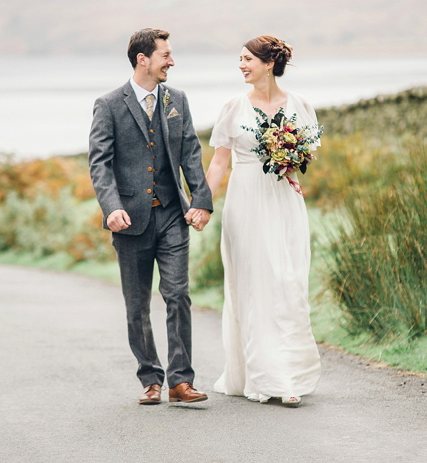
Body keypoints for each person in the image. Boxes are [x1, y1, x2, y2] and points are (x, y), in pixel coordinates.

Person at [88, 28, 214, 405]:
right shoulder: (108, 104)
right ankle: (150, 377)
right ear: (143, 59)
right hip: (130, 220)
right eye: (165, 55)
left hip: (173, 215)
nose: (171, 62)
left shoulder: (178, 99)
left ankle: (180, 381)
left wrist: (202, 201)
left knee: (178, 295)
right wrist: (112, 208)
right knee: (137, 305)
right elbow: (100, 164)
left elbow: (191, 152)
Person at [204, 36, 322, 407]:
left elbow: (307, 153)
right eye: (239, 59)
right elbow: (220, 161)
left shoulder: (300, 105)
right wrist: (202, 204)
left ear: (268, 63)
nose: (241, 65)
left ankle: (292, 372)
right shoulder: (233, 107)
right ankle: (268, 378)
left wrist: (289, 161)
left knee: (288, 283)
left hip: (285, 202)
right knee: (254, 285)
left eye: (246, 59)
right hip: (246, 201)